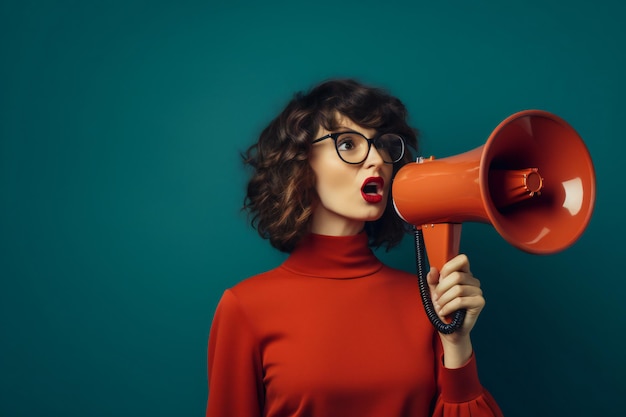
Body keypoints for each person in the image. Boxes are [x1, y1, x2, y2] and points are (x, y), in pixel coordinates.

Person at [206, 79, 503, 417]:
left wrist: (456, 342)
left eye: (384, 146)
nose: (376, 160)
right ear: (301, 162)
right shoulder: (245, 308)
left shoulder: (428, 301)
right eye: (348, 144)